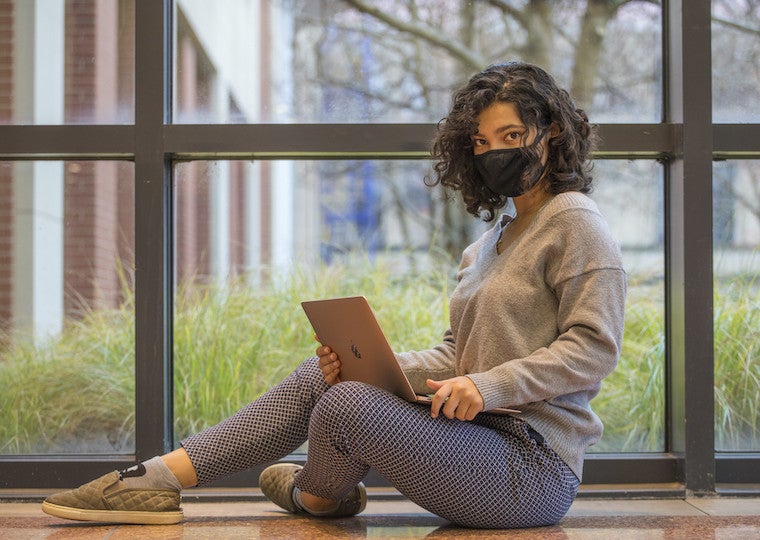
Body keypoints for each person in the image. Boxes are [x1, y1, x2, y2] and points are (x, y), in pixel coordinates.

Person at [41, 61, 626, 529]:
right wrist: (376, 364)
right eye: (480, 141)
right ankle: (155, 478)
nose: (494, 152)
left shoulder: (575, 223)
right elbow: (459, 355)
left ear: (550, 137)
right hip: (467, 441)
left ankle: (316, 494)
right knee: (332, 377)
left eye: (512, 136)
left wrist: (487, 386)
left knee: (347, 406)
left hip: (529, 468)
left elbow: (593, 348)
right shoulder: (489, 243)